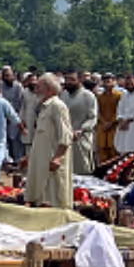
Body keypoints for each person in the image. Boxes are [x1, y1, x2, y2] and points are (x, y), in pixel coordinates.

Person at [23, 74, 73, 209]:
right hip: (41, 159)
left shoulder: (58, 106)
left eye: (39, 87)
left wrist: (58, 157)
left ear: (49, 89)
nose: (36, 90)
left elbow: (66, 135)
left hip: (52, 159)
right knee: (40, 193)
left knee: (53, 195)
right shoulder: (45, 107)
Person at [61, 70, 98, 175]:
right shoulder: (63, 95)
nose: (68, 82)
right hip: (65, 137)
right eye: (66, 79)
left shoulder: (88, 96)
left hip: (81, 138)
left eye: (72, 80)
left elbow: (92, 118)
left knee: (83, 168)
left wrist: (81, 130)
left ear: (80, 80)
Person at [96, 73, 121, 164]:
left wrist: (111, 122)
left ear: (114, 82)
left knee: (113, 149)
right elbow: (97, 111)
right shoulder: (99, 96)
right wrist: (103, 122)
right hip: (102, 126)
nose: (107, 84)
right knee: (102, 149)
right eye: (105, 82)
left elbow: (119, 111)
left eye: (109, 82)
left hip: (114, 126)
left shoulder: (119, 96)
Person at [1, 67, 25, 162]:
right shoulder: (0, 86)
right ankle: (7, 161)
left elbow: (20, 103)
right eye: (5, 76)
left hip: (15, 116)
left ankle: (16, 161)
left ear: (13, 76)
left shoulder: (18, 87)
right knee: (4, 140)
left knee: (15, 139)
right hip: (3, 117)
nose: (7, 78)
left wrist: (14, 116)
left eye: (8, 75)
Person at [20, 72, 39, 151]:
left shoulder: (40, 92)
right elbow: (22, 107)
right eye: (31, 80)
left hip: (38, 120)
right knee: (28, 144)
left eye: (35, 80)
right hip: (27, 119)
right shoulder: (24, 92)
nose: (33, 82)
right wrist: (22, 120)